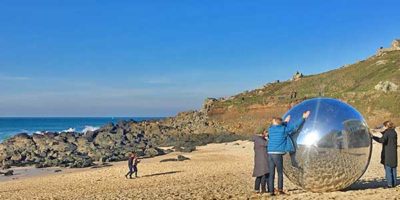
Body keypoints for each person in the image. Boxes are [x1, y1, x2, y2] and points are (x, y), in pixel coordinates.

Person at [267, 111, 310, 195]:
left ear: (275, 123)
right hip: (277, 154)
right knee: (279, 173)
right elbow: (295, 127)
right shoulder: (283, 130)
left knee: (271, 173)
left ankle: (271, 191)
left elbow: (279, 124)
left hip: (270, 153)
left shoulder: (270, 129)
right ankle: (280, 190)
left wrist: (285, 121)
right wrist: (303, 118)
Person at [372, 120, 398, 188]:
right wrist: (380, 131)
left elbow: (382, 140)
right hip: (394, 153)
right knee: (393, 169)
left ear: (386, 126)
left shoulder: (387, 133)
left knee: (388, 169)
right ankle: (394, 183)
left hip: (388, 154)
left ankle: (389, 184)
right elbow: (386, 135)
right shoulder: (394, 132)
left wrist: (373, 137)